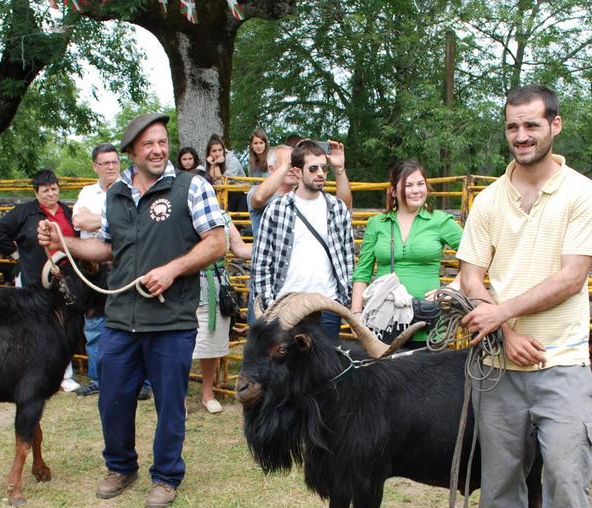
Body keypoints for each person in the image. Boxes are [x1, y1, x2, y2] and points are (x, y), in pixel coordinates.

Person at [456, 85, 592, 508]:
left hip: (562, 361)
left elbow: (572, 276)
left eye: (532, 126)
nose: (521, 136)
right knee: (498, 473)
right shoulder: (490, 199)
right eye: (513, 127)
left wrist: (505, 313)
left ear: (555, 126)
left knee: (566, 477)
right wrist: (507, 332)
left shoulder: (581, 195)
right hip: (499, 361)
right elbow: (471, 274)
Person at [37, 112, 226, 508]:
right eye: (148, 144)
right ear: (131, 152)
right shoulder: (116, 194)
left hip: (171, 318)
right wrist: (62, 240)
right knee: (113, 398)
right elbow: (107, 248)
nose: (157, 150)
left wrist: (173, 270)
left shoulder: (191, 187)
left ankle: (166, 476)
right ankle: (121, 467)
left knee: (169, 402)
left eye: (162, 142)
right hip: (121, 316)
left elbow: (216, 242)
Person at [351, 160, 463, 345]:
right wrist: (356, 315)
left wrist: (454, 287)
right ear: (394, 191)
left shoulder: (440, 221)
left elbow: (475, 254)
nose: (416, 190)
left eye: (421, 184)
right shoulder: (377, 223)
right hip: (383, 322)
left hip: (427, 322)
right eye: (408, 185)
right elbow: (362, 272)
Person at [251, 140, 353, 342]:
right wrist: (271, 307)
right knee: (287, 372)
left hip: (327, 306)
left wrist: (345, 300)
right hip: (286, 307)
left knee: (326, 372)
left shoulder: (337, 208)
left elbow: (348, 256)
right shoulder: (277, 209)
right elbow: (261, 262)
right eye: (313, 168)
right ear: (297, 173)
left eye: (324, 168)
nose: (321, 174)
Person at [0, 168, 81, 392]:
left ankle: (64, 375)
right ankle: (31, 372)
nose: (51, 194)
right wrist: (16, 255)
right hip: (33, 277)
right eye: (45, 190)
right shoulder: (24, 212)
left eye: (54, 189)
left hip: (64, 278)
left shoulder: (67, 212)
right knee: (32, 325)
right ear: (36, 192)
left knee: (62, 324)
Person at [71, 144, 119, 398]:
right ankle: (98, 379)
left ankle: (141, 383)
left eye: (114, 162)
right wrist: (114, 218)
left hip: (123, 264)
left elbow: (133, 221)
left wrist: (98, 219)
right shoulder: (87, 192)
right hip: (92, 266)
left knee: (131, 322)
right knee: (94, 324)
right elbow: (79, 220)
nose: (111, 167)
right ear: (95, 166)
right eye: (106, 163)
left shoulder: (129, 189)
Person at [194, 214, 251, 413]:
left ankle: (207, 394)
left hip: (217, 286)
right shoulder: (179, 208)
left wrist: (269, 247)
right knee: (178, 344)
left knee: (210, 343)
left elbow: (240, 248)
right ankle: (177, 398)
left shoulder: (221, 216)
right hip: (185, 283)